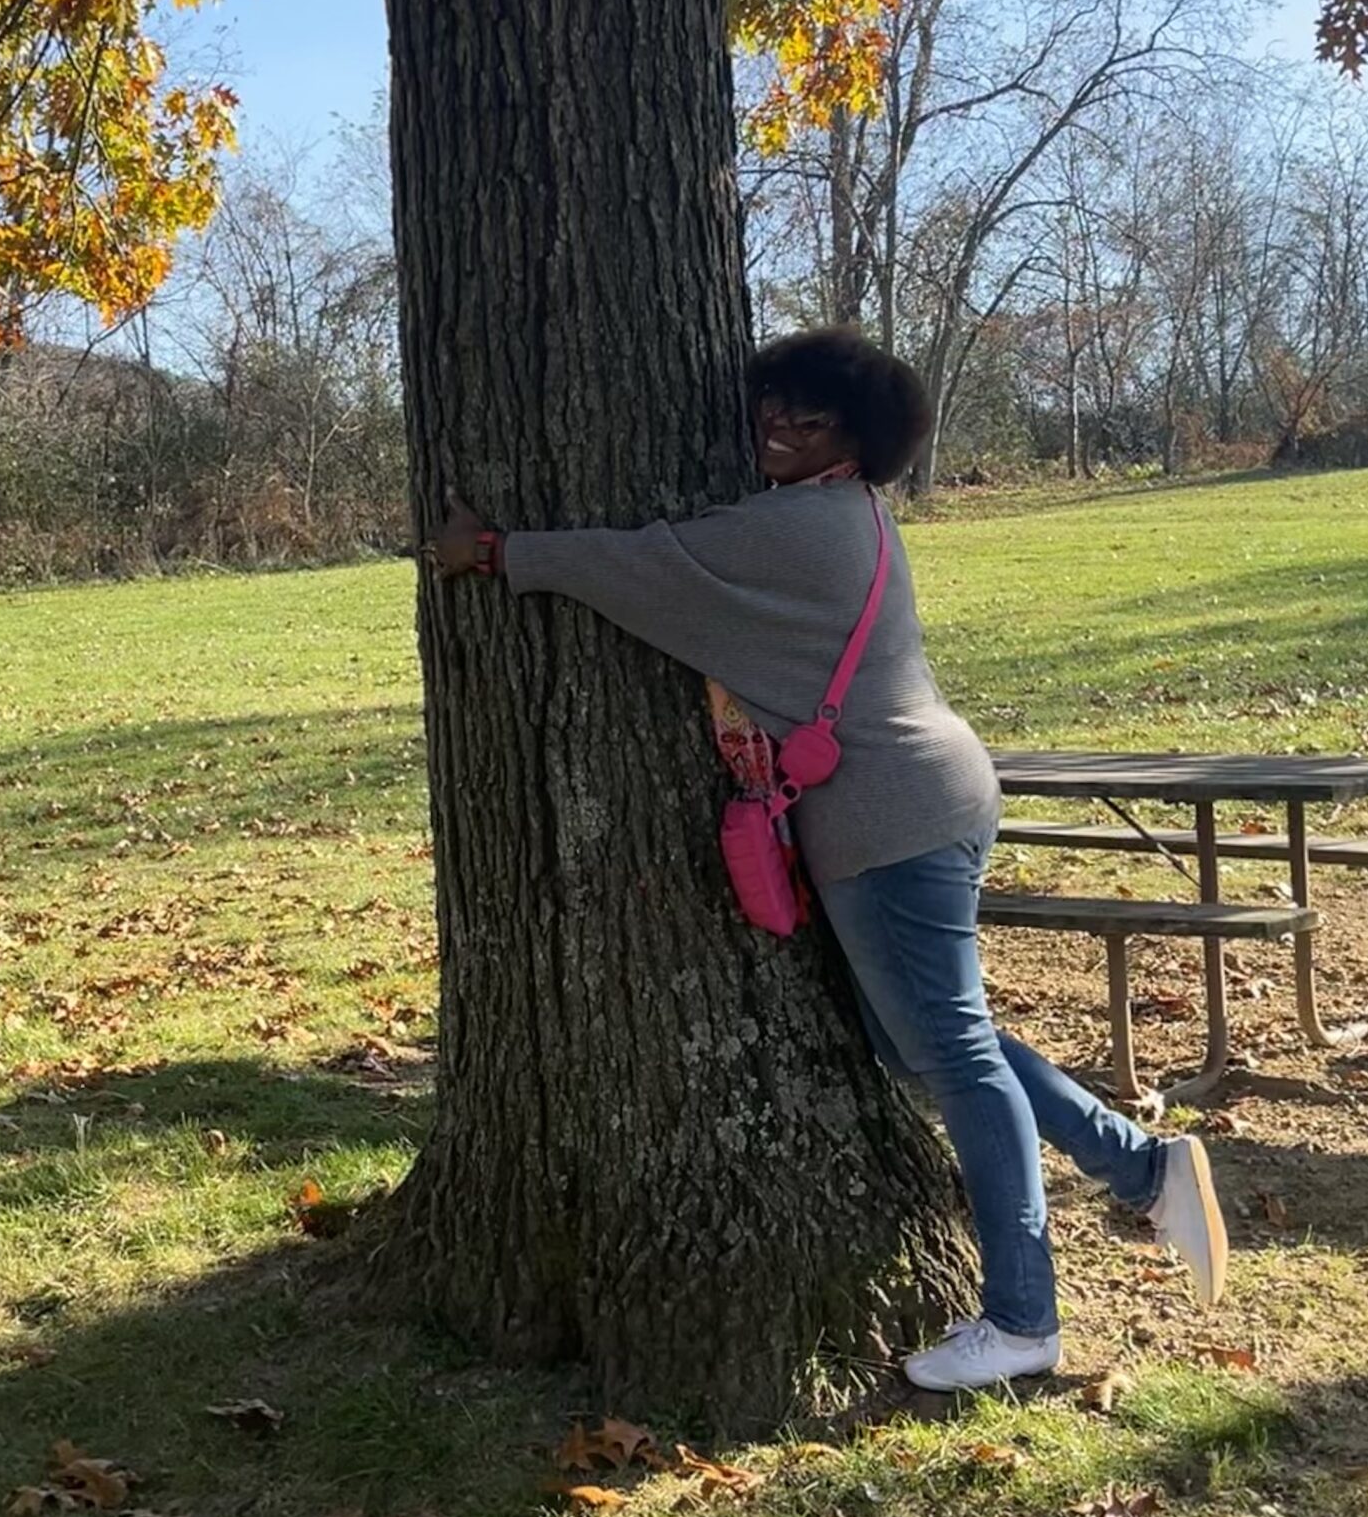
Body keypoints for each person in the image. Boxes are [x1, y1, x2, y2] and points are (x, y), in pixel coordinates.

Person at [429, 325, 1227, 1394]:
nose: (778, 431)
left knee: (951, 1054)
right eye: (771, 410)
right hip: (916, 801)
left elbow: (646, 566)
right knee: (930, 1047)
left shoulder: (800, 529)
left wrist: (497, 553)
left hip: (894, 816)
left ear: (856, 439)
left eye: (808, 420)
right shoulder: (841, 516)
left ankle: (1025, 1316)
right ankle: (1142, 1165)